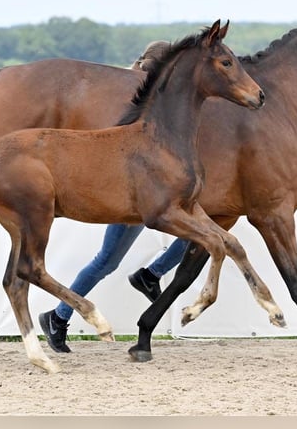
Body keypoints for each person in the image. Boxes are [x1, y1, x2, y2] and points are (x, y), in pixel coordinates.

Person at [38, 40, 189, 353]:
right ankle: (59, 315)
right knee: (108, 261)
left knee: (199, 233)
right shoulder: (135, 103)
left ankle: (149, 274)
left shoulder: (145, 99)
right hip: (128, 194)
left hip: (146, 192)